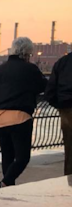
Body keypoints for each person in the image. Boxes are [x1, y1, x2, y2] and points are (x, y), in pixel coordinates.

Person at [0, 36, 46, 190]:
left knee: (7, 154)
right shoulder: (30, 69)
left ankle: (7, 188)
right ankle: (5, 183)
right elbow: (44, 86)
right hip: (20, 117)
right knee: (22, 157)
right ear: (28, 53)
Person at [44, 46, 72, 175]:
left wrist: (60, 106)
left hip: (66, 110)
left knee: (69, 149)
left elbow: (50, 92)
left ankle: (69, 182)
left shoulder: (61, 63)